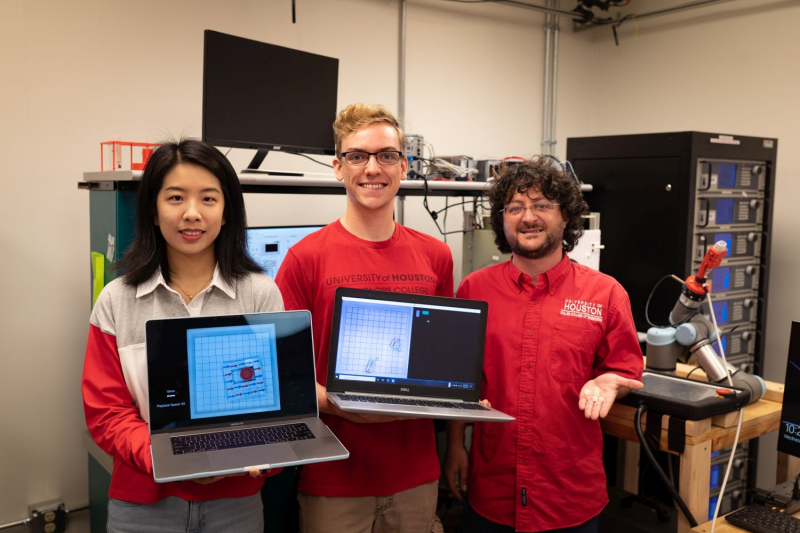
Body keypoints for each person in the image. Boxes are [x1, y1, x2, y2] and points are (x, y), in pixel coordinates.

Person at [82, 139, 284, 533]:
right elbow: (107, 415)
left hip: (237, 501)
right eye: (176, 198)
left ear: (226, 212)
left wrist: (259, 454)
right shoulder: (117, 300)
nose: (192, 213)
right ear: (153, 212)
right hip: (143, 502)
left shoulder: (260, 294)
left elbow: (279, 403)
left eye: (209, 199)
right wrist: (173, 458)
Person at [275, 103, 453, 533]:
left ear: (404, 167)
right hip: (334, 476)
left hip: (415, 477)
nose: (373, 168)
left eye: (386, 155)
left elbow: (444, 363)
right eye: (358, 156)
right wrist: (340, 404)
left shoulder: (436, 256)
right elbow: (283, 373)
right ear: (339, 168)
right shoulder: (304, 259)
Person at [445, 158, 644, 533]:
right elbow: (459, 378)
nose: (528, 217)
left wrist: (611, 382)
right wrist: (456, 444)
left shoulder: (605, 294)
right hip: (491, 492)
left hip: (568, 496)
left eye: (541, 205)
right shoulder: (474, 290)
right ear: (502, 220)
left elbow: (625, 367)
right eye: (515, 207)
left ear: (566, 216)